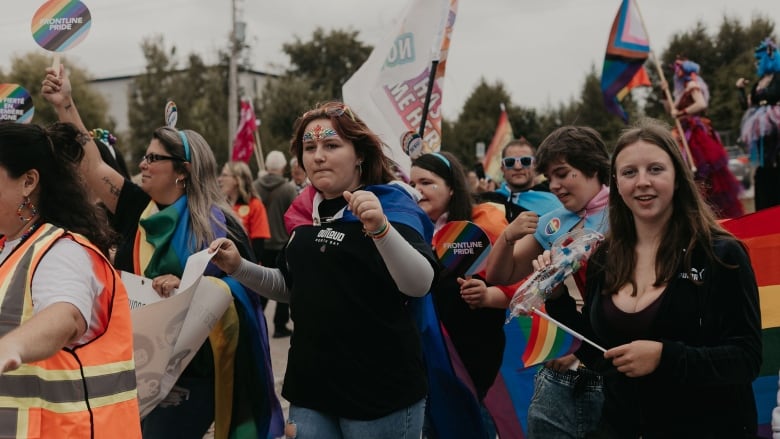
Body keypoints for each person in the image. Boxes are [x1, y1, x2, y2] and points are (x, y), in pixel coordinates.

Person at [41, 65, 283, 439]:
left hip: (194, 374)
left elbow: (244, 296)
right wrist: (65, 103)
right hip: (135, 366)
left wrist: (186, 288)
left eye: (154, 159)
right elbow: (92, 165)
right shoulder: (138, 208)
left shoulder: (219, 225)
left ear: (182, 171)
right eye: (146, 156)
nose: (142, 164)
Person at [209, 101, 438, 439]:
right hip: (311, 388)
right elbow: (289, 287)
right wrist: (238, 267)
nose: (318, 156)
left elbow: (419, 284)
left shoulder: (390, 203)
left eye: (331, 145)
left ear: (358, 153)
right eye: (309, 147)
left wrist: (381, 229)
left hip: (379, 391)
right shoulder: (303, 212)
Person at [542, 118, 761, 437]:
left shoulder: (721, 255)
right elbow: (602, 357)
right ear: (616, 182)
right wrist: (557, 299)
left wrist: (665, 356)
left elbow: (747, 359)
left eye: (655, 169)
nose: (642, 182)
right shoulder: (605, 256)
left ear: (678, 178)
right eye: (630, 172)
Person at [0, 122, 141, 437]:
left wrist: (10, 348)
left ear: (28, 181)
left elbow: (65, 315)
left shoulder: (62, 251)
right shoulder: (10, 246)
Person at [486, 126, 611, 438]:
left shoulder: (629, 214)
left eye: (563, 174)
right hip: (569, 363)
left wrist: (581, 352)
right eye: (549, 177)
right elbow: (500, 276)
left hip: (616, 362)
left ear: (593, 167)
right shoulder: (555, 221)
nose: (554, 185)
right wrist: (507, 237)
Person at [410, 151, 519, 438]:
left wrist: (486, 294)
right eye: (411, 183)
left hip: (471, 356)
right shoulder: (409, 229)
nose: (416, 190)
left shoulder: (482, 227)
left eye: (426, 182)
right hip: (424, 360)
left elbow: (518, 287)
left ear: (452, 188)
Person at [666, 58, 743, 218]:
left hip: (695, 134)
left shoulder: (692, 86)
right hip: (684, 132)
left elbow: (701, 104)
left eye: (678, 69)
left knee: (703, 170)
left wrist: (682, 113)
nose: (676, 73)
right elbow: (672, 110)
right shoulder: (683, 90)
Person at [253, 150, 297, 338]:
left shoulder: (255, 186)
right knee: (284, 285)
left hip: (261, 243)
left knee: (261, 286)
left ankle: (256, 322)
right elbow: (294, 214)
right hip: (282, 243)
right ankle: (280, 326)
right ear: (283, 167)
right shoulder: (288, 189)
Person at [737, 37, 780, 210]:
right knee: (764, 167)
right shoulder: (760, 81)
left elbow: (773, 95)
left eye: (760, 59)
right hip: (759, 125)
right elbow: (746, 105)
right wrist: (740, 89)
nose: (757, 63)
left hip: (775, 122)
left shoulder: (778, 77)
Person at [479, 138, 560, 222]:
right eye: (510, 162)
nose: (518, 167)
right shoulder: (489, 201)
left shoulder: (554, 202)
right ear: (502, 168)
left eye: (525, 161)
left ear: (535, 166)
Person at [219, 160, 270, 261]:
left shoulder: (255, 205)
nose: (219, 179)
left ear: (237, 180)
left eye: (224, 175)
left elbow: (258, 245)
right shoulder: (221, 205)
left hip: (245, 267)